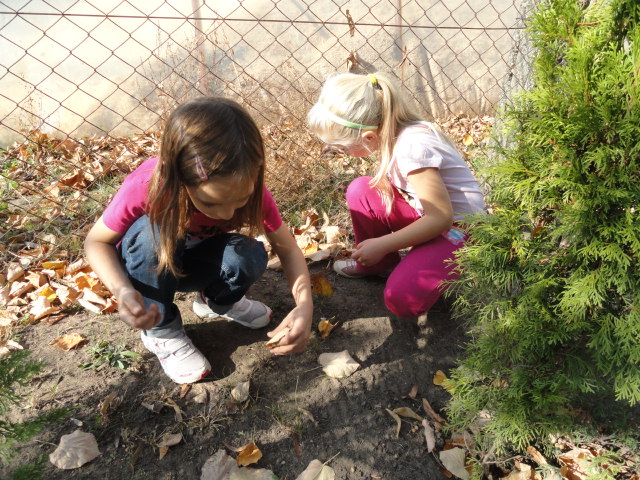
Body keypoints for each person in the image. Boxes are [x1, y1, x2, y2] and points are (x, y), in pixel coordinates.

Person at [85, 97, 313, 384]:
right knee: (152, 235)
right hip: (149, 269)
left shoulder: (252, 188)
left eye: (240, 200)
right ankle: (161, 330)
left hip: (193, 265)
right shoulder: (147, 187)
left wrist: (304, 305)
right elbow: (96, 242)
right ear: (178, 177)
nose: (227, 213)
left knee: (249, 255)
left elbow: (288, 250)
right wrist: (122, 291)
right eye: (210, 203)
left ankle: (214, 302)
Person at [307, 72, 485, 317]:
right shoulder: (394, 133)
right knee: (361, 189)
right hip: (433, 217)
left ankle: (443, 271)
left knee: (401, 300)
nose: (339, 152)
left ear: (369, 137)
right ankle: (377, 264)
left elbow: (441, 218)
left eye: (341, 148)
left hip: (460, 231)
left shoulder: (413, 148)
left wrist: (383, 244)